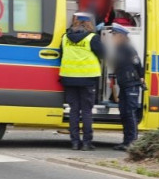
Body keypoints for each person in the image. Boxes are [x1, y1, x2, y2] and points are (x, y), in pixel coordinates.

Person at [60, 12, 104, 151]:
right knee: (86, 111)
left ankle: (74, 142)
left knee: (74, 111)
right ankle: (86, 143)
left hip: (69, 78)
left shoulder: (65, 37)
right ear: (89, 23)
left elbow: (61, 54)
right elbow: (103, 54)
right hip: (87, 79)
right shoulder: (92, 38)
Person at [109, 21, 144, 151]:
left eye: (114, 35)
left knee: (130, 113)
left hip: (132, 84)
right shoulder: (118, 49)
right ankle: (125, 141)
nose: (113, 38)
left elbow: (137, 64)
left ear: (121, 36)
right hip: (123, 85)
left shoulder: (128, 49)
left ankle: (133, 142)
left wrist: (141, 78)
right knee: (124, 113)